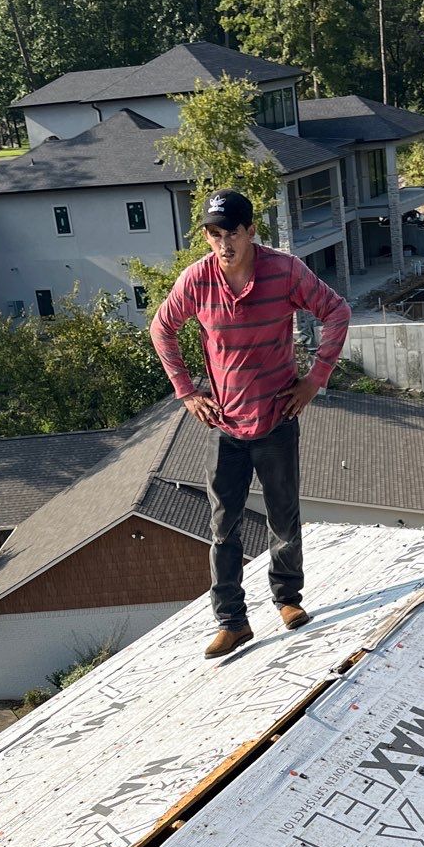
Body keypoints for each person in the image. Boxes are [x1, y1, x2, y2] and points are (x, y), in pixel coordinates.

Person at [150, 188, 351, 659]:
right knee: (224, 527)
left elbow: (336, 311)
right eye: (215, 234)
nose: (224, 244)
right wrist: (186, 393)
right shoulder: (197, 281)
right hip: (225, 427)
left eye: (232, 232)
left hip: (277, 418)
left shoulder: (283, 271)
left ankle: (287, 601)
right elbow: (162, 328)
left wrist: (314, 380)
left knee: (284, 517)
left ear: (250, 231)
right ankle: (233, 622)